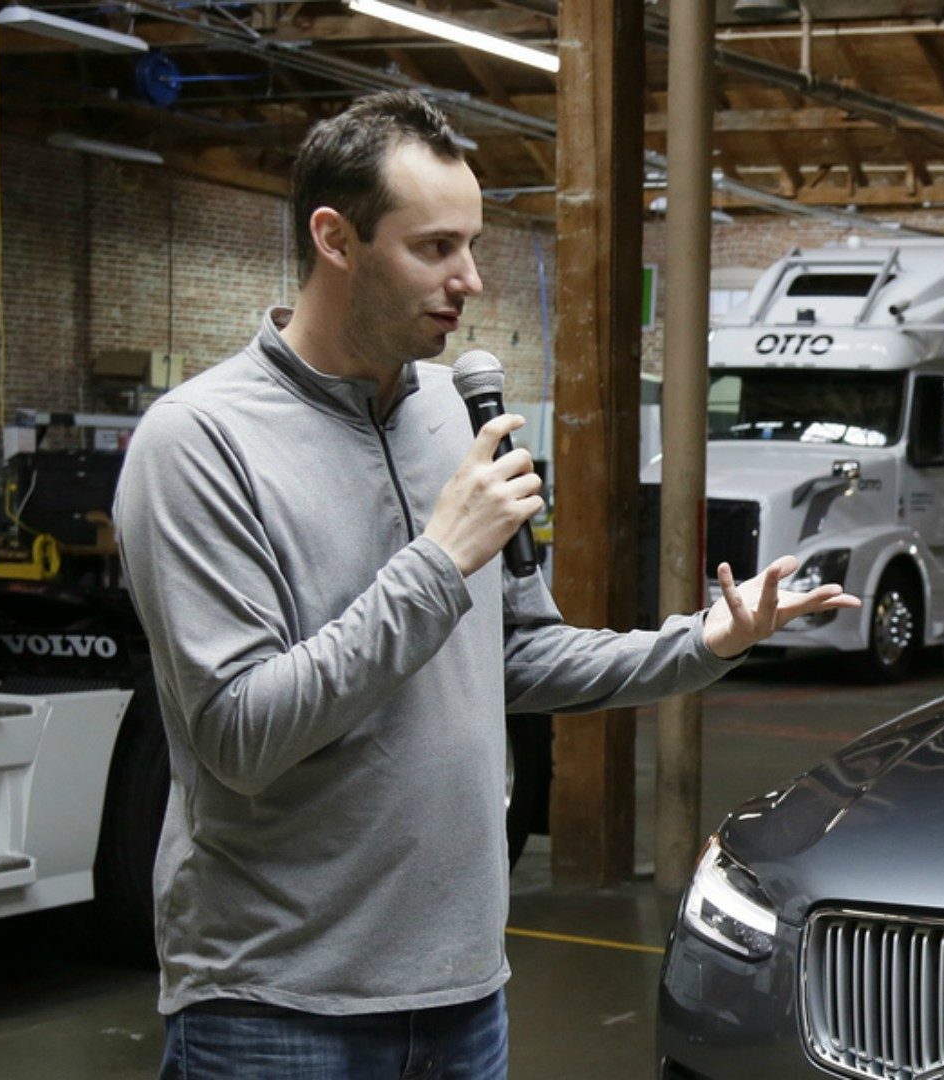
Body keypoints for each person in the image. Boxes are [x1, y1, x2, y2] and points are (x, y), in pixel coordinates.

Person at [112, 89, 859, 1079]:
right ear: (335, 239)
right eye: (434, 248)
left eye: (472, 244)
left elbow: (515, 652)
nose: (469, 280)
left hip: (464, 996)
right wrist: (434, 562)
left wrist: (703, 642)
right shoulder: (200, 443)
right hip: (275, 1005)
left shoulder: (452, 415)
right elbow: (241, 736)